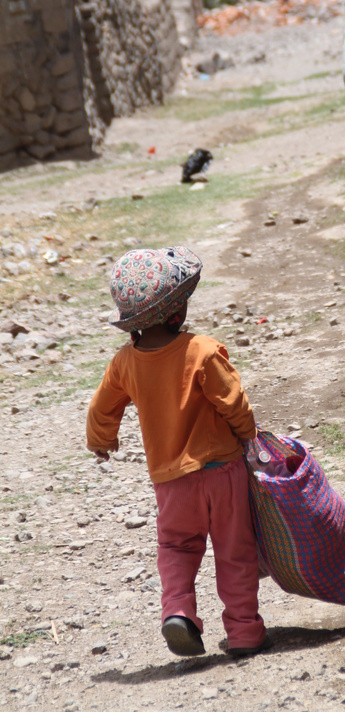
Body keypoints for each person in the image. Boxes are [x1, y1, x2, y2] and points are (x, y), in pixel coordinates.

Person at [86, 246, 266, 659]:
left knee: (176, 548)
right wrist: (248, 437)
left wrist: (102, 440)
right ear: (176, 314)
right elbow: (233, 401)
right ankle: (244, 632)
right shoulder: (202, 350)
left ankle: (179, 612)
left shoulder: (124, 363)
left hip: (171, 482)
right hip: (223, 472)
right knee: (235, 550)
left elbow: (101, 408)